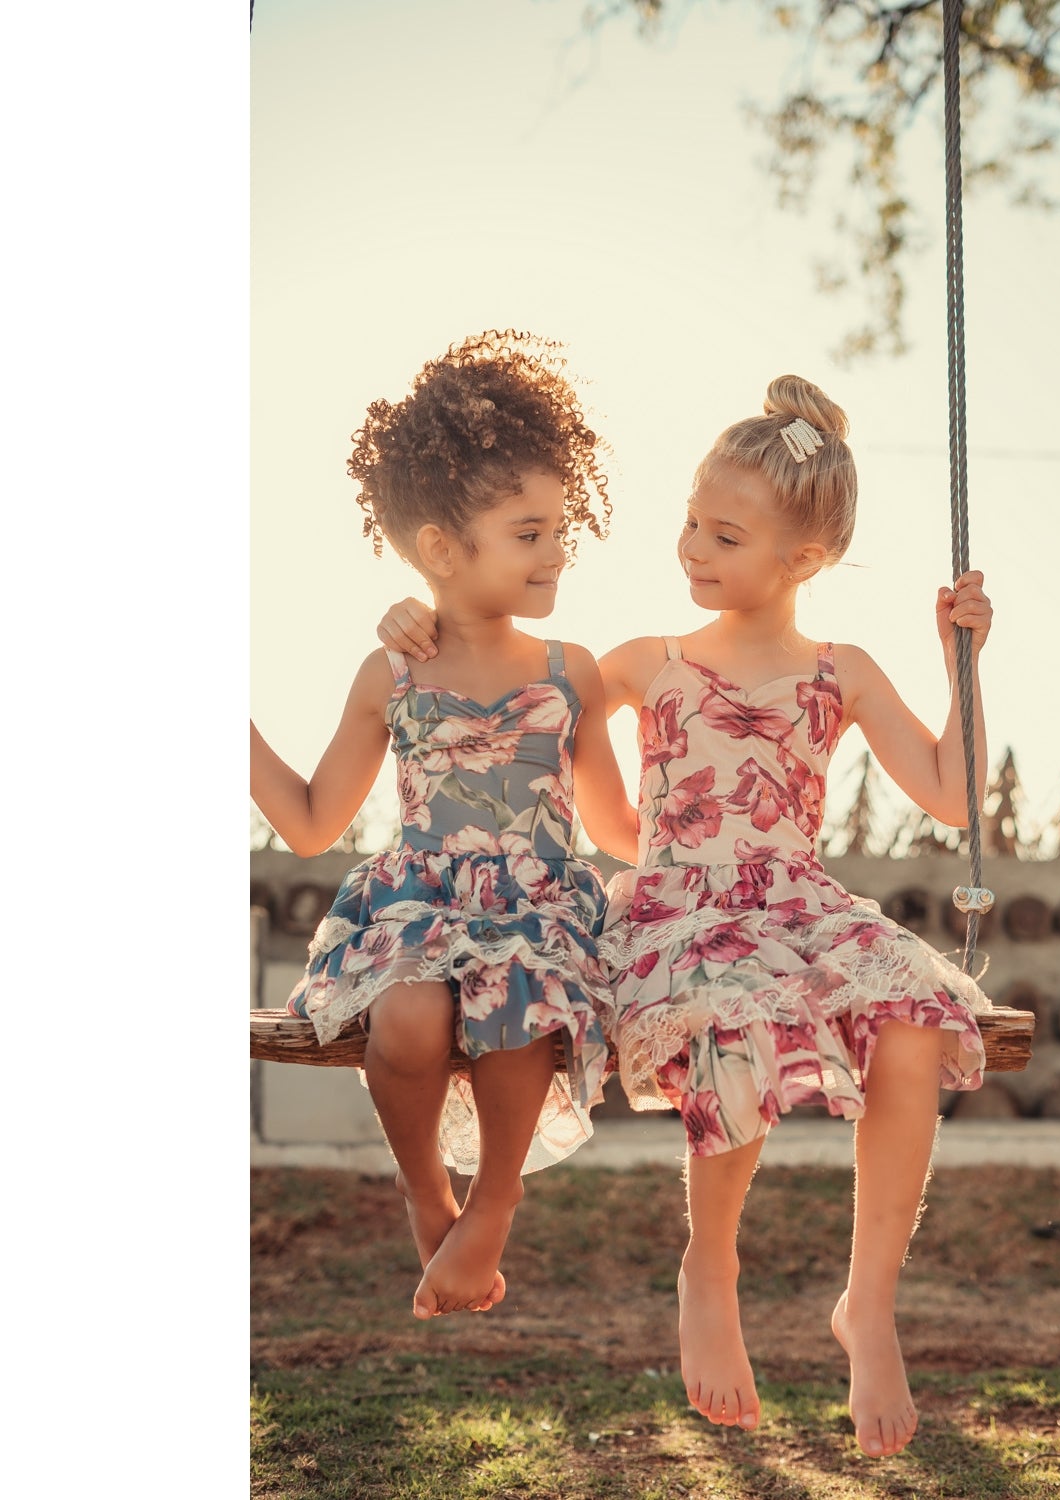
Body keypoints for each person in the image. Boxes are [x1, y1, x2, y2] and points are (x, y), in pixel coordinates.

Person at [377, 374, 994, 1458]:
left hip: (796, 905)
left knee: (910, 1018)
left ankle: (871, 1303)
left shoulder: (840, 672)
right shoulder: (648, 665)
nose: (693, 550)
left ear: (803, 561)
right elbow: (525, 688)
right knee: (729, 1011)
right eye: (691, 523)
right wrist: (425, 619)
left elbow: (953, 794)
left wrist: (963, 663)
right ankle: (711, 1266)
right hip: (679, 912)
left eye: (725, 535)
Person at [252, 330, 637, 1323]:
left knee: (520, 1003)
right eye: (527, 531)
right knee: (412, 1015)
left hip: (541, 907)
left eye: (560, 528)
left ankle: (494, 1206)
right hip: (420, 905)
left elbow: (618, 826)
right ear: (438, 549)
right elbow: (308, 822)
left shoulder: (570, 673)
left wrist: (727, 799)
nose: (555, 551)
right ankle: (427, 1187)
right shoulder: (392, 675)